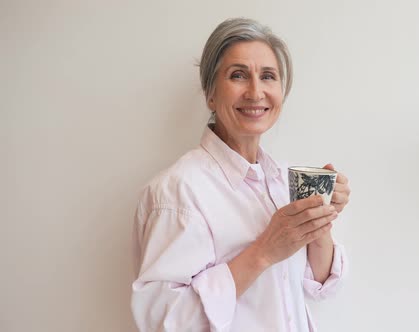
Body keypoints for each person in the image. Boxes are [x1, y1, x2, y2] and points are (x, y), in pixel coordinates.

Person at [131, 18, 351, 332]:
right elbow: (164, 323)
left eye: (268, 76)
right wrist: (265, 250)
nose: (256, 91)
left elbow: (319, 284)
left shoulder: (280, 180)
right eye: (238, 75)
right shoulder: (177, 191)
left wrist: (319, 221)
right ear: (210, 93)